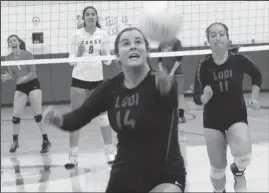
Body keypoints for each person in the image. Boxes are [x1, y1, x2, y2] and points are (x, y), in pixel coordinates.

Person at [43, 27, 186, 192]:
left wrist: (166, 89)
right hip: (125, 174)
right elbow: (79, 117)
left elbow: (170, 101)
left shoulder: (159, 82)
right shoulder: (110, 88)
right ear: (117, 55)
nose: (133, 46)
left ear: (147, 52)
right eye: (126, 43)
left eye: (138, 42)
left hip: (165, 174)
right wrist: (58, 119)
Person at [193, 22, 262, 193]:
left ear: (228, 38)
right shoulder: (203, 66)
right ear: (207, 41)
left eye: (221, 34)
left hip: (236, 116)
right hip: (213, 120)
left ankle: (238, 172)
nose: (218, 38)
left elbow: (257, 75)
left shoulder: (239, 60)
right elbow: (196, 97)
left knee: (244, 158)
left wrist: (254, 96)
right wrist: (204, 98)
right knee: (217, 169)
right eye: (213, 35)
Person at [66, 5, 115, 168]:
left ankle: (109, 152)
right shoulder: (76, 35)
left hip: (97, 81)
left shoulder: (104, 34)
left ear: (96, 17)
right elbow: (71, 61)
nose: (91, 16)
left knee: (103, 118)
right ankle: (73, 156)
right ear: (83, 18)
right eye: (87, 14)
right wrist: (79, 54)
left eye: (93, 14)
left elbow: (108, 61)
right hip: (79, 80)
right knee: (76, 118)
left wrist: (103, 54)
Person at [1, 34, 51, 154]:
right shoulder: (8, 58)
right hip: (20, 87)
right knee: (15, 117)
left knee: (37, 115)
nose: (13, 42)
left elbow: (33, 72)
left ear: (18, 42)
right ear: (9, 44)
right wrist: (6, 77)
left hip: (33, 84)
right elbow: (12, 74)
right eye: (10, 41)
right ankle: (15, 141)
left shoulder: (27, 54)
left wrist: (23, 79)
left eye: (14, 40)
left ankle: (45, 141)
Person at [158, 37, 186, 123]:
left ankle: (180, 115)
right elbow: (159, 59)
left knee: (179, 93)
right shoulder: (161, 42)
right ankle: (166, 114)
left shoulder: (176, 42)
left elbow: (179, 58)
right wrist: (162, 71)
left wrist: (172, 72)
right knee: (164, 93)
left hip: (176, 72)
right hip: (165, 73)